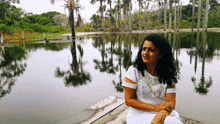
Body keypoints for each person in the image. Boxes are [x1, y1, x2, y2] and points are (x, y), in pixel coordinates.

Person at [122, 34, 183, 124]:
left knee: (172, 122)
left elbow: (171, 103)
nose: (145, 53)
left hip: (163, 111)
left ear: (160, 54)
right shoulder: (134, 70)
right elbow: (129, 100)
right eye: (144, 49)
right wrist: (155, 108)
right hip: (139, 113)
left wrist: (161, 114)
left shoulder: (168, 73)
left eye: (151, 50)